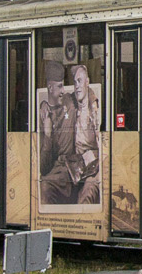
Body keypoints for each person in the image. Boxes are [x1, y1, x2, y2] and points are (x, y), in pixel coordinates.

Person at [39, 60, 80, 204]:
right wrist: (48, 135)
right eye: (60, 86)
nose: (63, 90)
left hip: (71, 167)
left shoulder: (69, 101)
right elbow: (42, 167)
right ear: (50, 87)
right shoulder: (43, 117)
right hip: (54, 172)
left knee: (45, 186)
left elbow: (86, 94)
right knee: (43, 185)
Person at [70, 64, 101, 204]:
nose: (77, 86)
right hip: (74, 165)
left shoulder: (95, 108)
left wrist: (93, 156)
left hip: (94, 165)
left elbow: (103, 144)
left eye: (80, 81)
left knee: (87, 192)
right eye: (75, 82)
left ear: (87, 82)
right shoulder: (71, 104)